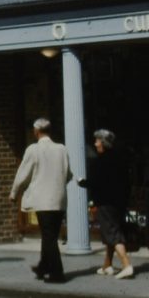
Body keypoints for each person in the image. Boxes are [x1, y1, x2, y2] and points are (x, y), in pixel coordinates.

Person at [10, 118, 72, 284]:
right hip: (59, 199)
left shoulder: (33, 149)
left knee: (49, 236)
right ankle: (43, 266)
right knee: (50, 235)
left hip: (43, 200)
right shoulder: (62, 149)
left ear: (36, 132)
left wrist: (14, 192)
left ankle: (57, 273)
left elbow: (23, 173)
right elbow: (69, 175)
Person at [78, 129, 134, 279]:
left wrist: (82, 182)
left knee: (111, 232)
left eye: (97, 141)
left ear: (103, 143)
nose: (95, 144)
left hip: (105, 202)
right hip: (120, 202)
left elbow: (95, 183)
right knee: (111, 231)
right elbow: (127, 183)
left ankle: (126, 264)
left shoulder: (99, 162)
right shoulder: (120, 160)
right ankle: (107, 265)